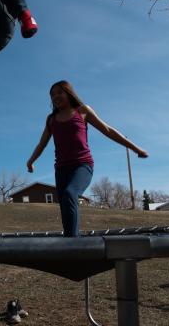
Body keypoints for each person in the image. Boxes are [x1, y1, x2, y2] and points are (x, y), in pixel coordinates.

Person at [26, 80, 148, 237]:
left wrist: (135, 148)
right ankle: (70, 242)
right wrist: (31, 161)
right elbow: (41, 144)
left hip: (82, 166)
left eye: (59, 92)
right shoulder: (51, 120)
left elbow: (108, 130)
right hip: (61, 169)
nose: (55, 97)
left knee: (70, 193)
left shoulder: (82, 111)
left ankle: (73, 245)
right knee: (65, 206)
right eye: (52, 95)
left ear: (69, 93)